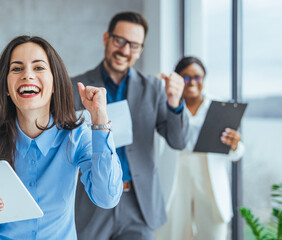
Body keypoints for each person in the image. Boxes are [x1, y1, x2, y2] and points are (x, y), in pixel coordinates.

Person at [0, 35, 123, 239]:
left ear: (55, 83)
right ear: (5, 88)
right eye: (17, 68)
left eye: (38, 67)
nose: (27, 75)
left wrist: (100, 118)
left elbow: (107, 198)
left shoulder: (77, 136)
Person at [72, 11, 190, 239]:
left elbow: (179, 141)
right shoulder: (75, 88)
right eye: (120, 41)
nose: (125, 50)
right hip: (92, 202)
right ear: (106, 38)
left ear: (140, 50)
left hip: (139, 204)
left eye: (134, 46)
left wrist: (175, 104)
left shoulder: (154, 89)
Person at [154, 57, 245, 240]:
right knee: (172, 234)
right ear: (178, 79)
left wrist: (235, 145)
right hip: (175, 177)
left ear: (204, 79)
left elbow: (237, 153)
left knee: (214, 235)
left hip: (210, 181)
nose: (192, 82)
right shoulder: (166, 105)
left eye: (197, 77)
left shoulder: (220, 107)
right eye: (186, 78)